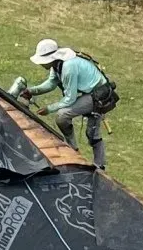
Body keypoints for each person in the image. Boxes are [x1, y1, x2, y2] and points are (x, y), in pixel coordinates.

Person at [25, 39, 115, 169]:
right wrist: (32, 91)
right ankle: (73, 150)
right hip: (89, 93)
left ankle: (99, 165)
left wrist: (49, 109)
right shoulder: (57, 65)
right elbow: (51, 83)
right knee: (90, 131)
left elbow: (70, 98)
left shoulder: (68, 67)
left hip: (98, 95)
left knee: (64, 116)